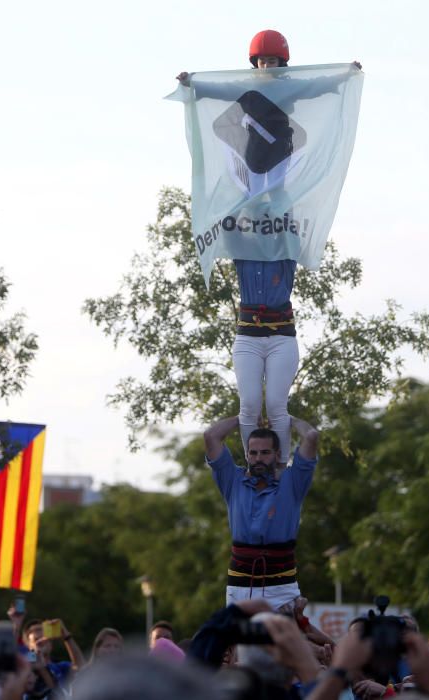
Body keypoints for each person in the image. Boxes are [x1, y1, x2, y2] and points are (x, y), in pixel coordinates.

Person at [178, 29, 361, 465]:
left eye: (275, 63)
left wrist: (343, 78)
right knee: (247, 406)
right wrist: (193, 86)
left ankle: (276, 465)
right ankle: (253, 463)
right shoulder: (245, 90)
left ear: (283, 64)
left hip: (279, 182)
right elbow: (219, 89)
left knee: (276, 407)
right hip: (249, 180)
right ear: (254, 62)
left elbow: (315, 85)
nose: (269, 69)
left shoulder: (290, 91)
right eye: (263, 62)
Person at [204, 413, 318, 609]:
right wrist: (244, 416)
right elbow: (210, 435)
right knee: (241, 639)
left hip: (281, 584)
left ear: (277, 453)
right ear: (247, 454)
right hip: (240, 583)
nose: (258, 458)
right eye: (253, 453)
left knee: (285, 639)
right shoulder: (233, 480)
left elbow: (311, 436)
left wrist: (287, 419)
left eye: (265, 453)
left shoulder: (292, 482)